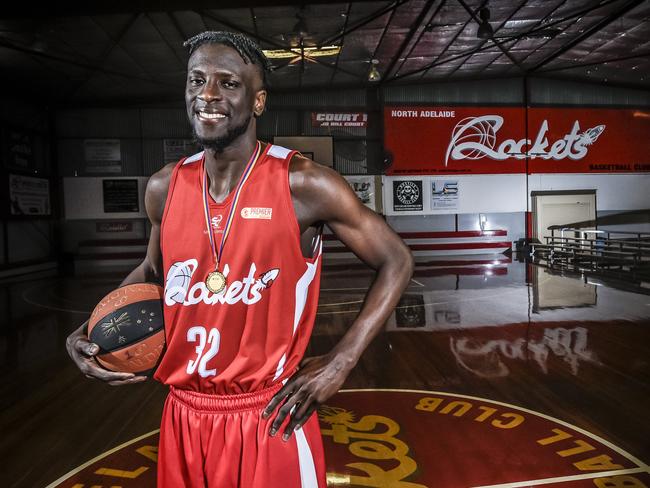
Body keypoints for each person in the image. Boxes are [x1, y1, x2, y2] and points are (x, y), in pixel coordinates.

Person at [66, 31, 413, 488]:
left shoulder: (305, 185)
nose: (208, 95)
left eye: (228, 83)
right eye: (196, 81)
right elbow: (153, 271)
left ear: (258, 100)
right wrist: (94, 326)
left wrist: (340, 361)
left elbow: (397, 260)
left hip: (268, 413)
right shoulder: (164, 187)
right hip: (183, 412)